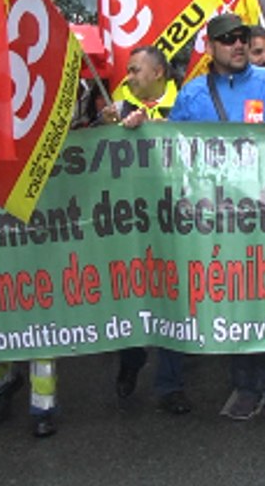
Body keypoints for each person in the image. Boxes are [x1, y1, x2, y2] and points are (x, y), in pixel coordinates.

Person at [168, 13, 265, 427]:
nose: (238, 44)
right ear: (210, 47)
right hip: (217, 220)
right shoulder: (191, 95)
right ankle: (245, 388)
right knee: (234, 301)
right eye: (227, 39)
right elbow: (170, 153)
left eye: (243, 37)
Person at [99, 47, 183, 411]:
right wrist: (108, 128)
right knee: (135, 292)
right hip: (132, 222)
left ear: (159, 72)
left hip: (175, 219)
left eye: (135, 70)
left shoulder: (185, 101)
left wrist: (171, 130)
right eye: (128, 71)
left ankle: (172, 386)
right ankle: (130, 362)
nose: (129, 77)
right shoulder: (117, 106)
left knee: (175, 298)